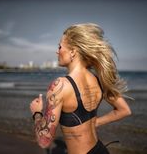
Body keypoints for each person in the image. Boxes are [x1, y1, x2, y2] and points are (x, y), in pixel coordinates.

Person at [30, 23, 131, 154]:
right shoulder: (98, 79)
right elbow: (124, 110)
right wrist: (96, 122)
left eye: (60, 46)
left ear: (73, 52)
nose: (57, 51)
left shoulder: (60, 85)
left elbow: (44, 141)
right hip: (100, 150)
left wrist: (37, 114)